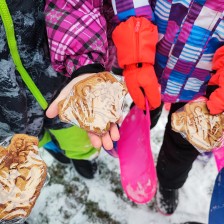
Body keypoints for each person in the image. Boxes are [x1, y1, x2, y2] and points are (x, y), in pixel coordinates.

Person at [44, 0, 224, 216]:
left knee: (182, 147)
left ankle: (169, 183)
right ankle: (140, 131)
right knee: (143, 111)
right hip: (148, 65)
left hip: (205, 88)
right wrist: (137, 46)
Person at [0, 0, 100, 180]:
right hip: (9, 110)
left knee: (77, 133)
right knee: (31, 136)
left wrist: (83, 64)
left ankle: (84, 154)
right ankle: (50, 145)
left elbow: (71, 5)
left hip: (60, 79)